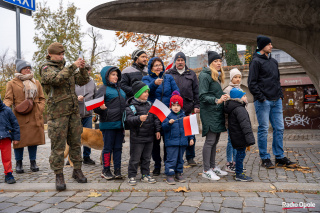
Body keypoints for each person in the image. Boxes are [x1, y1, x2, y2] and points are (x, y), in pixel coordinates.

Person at [40, 42, 89, 191]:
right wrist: (73, 66)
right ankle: (59, 174)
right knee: (58, 146)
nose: (62, 56)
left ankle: (77, 170)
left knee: (75, 142)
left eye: (63, 54)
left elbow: (82, 81)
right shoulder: (46, 68)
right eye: (59, 54)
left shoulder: (66, 68)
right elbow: (56, 79)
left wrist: (82, 69)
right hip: (58, 114)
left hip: (73, 112)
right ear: (50, 55)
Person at [248, 35, 296, 169]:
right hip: (263, 101)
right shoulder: (256, 61)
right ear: (262, 46)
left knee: (279, 128)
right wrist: (261, 97)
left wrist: (280, 95)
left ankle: (279, 157)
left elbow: (277, 81)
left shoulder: (273, 62)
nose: (271, 46)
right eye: (269, 44)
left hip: (276, 100)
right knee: (263, 129)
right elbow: (251, 83)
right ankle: (265, 158)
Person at [4, 59, 46, 174]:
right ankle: (19, 163)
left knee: (33, 140)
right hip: (19, 116)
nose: (28, 69)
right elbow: (8, 99)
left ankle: (33, 162)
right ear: (19, 70)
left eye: (29, 67)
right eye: (25, 68)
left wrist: (40, 108)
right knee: (18, 140)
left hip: (34, 114)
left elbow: (42, 98)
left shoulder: (36, 82)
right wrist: (5, 110)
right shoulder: (11, 83)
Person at [142, 57, 179, 176]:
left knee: (168, 140)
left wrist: (173, 104)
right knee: (155, 142)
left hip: (168, 112)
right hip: (154, 112)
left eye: (160, 65)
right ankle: (157, 165)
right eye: (156, 65)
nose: (159, 67)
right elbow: (146, 93)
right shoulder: (146, 78)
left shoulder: (168, 77)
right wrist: (154, 84)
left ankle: (168, 164)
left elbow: (176, 92)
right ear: (151, 68)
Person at [199, 51, 229, 181]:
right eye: (216, 61)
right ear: (210, 63)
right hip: (209, 113)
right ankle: (206, 170)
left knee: (215, 141)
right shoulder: (205, 76)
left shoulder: (215, 76)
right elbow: (202, 96)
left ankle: (212, 166)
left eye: (220, 61)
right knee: (210, 141)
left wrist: (222, 97)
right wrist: (217, 100)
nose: (218, 63)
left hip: (216, 112)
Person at [166, 52, 200, 166]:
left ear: (185, 62)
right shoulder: (169, 73)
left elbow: (196, 91)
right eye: (178, 60)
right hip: (173, 109)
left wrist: (197, 105)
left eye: (182, 60)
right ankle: (172, 157)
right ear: (175, 61)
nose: (180, 62)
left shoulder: (191, 74)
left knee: (191, 133)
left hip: (188, 108)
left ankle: (190, 157)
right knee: (173, 132)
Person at [125, 79, 161, 186]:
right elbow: (129, 120)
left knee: (147, 158)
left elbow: (156, 118)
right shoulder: (131, 106)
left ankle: (145, 175)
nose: (147, 94)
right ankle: (131, 175)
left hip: (149, 137)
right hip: (137, 137)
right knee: (135, 158)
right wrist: (139, 118)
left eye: (147, 92)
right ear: (138, 93)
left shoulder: (150, 104)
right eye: (145, 92)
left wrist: (157, 130)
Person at [94, 66, 126, 180]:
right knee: (108, 148)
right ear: (106, 76)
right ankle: (105, 170)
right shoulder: (103, 89)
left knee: (118, 148)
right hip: (108, 124)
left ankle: (117, 170)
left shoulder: (121, 90)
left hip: (119, 124)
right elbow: (95, 108)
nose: (116, 77)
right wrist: (100, 108)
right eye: (113, 74)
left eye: (117, 75)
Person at [162, 91, 195, 185]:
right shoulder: (167, 117)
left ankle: (178, 173)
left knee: (180, 159)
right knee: (171, 159)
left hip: (182, 142)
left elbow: (189, 129)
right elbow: (164, 128)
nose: (176, 107)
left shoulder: (184, 116)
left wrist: (191, 138)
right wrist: (169, 123)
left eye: (178, 105)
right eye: (173, 105)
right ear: (170, 106)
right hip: (171, 143)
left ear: (181, 106)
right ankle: (170, 174)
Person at [224, 88, 255, 181]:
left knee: (239, 154)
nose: (246, 98)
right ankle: (239, 173)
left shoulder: (234, 107)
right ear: (239, 98)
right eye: (244, 96)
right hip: (240, 136)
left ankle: (239, 171)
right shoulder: (240, 109)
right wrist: (250, 139)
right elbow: (245, 125)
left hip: (236, 136)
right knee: (241, 155)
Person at [75, 64, 97, 165]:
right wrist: (76, 99)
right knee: (75, 137)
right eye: (85, 72)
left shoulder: (92, 82)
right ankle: (73, 157)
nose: (87, 74)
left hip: (88, 114)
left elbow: (96, 97)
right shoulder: (74, 81)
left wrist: (95, 111)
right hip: (75, 114)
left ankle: (86, 157)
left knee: (88, 138)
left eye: (89, 72)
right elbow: (68, 97)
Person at [223, 68, 242, 172]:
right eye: (235, 77)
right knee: (231, 141)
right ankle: (228, 162)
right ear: (231, 78)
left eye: (239, 77)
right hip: (231, 120)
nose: (238, 79)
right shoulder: (227, 90)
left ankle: (236, 162)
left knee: (237, 142)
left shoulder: (241, 89)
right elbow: (226, 106)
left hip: (239, 121)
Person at [0, 97, 20, 184]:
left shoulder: (7, 110)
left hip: (5, 137)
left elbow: (15, 124)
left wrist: (16, 137)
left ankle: (8, 174)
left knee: (7, 158)